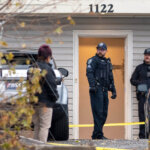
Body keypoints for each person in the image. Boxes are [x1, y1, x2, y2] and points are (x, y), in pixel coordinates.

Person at [28, 44, 58, 142]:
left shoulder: (32, 68)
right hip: (45, 103)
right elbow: (51, 86)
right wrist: (55, 97)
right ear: (48, 57)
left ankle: (35, 147)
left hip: (34, 102)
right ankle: (41, 147)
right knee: (44, 127)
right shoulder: (47, 69)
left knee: (37, 126)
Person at [86, 42, 117, 140]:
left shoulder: (107, 62)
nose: (100, 51)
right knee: (98, 112)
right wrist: (92, 86)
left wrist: (113, 90)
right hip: (96, 89)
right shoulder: (92, 60)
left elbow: (110, 77)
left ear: (106, 51)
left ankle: (96, 134)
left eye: (102, 49)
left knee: (104, 113)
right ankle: (98, 135)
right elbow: (89, 73)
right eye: (99, 49)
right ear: (97, 50)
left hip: (104, 90)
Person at [130, 48, 150, 139]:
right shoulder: (139, 68)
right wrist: (141, 83)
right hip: (142, 96)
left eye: (149, 55)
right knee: (142, 117)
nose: (147, 56)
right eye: (146, 54)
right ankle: (142, 137)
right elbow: (132, 80)